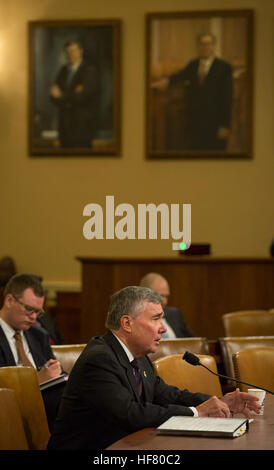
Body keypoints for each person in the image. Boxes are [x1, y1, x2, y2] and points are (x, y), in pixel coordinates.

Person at [47, 286, 260, 450]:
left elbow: (167, 394)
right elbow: (130, 413)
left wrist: (218, 401)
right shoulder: (99, 359)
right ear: (127, 323)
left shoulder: (138, 356)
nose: (164, 328)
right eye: (156, 318)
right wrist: (198, 412)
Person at [0, 273, 65, 430]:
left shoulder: (39, 335)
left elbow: (57, 375)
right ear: (9, 300)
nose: (34, 317)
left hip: (46, 412)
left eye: (38, 312)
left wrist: (55, 372)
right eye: (29, 309)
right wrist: (35, 382)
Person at [153, 33, 233, 151]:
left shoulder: (224, 67)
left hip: (215, 123)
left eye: (208, 44)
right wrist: (166, 81)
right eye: (202, 44)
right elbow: (179, 76)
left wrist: (225, 125)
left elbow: (227, 97)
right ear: (198, 47)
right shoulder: (193, 64)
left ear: (214, 46)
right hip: (195, 122)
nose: (205, 47)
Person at [50, 39, 98, 148]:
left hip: (81, 125)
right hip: (64, 126)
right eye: (67, 51)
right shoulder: (63, 70)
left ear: (81, 51)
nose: (70, 54)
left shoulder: (89, 70)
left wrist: (62, 96)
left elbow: (82, 97)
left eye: (73, 51)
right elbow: (53, 95)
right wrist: (70, 94)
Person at [140, 272, 194, 338]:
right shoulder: (137, 320)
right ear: (146, 295)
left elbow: (194, 342)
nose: (165, 302)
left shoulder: (174, 314)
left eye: (167, 296)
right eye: (161, 296)